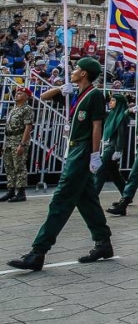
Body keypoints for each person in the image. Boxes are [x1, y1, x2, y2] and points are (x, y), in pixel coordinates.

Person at [7, 57, 113, 271]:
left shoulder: (94, 96)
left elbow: (96, 127)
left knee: (61, 199)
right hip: (73, 148)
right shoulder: (74, 93)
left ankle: (38, 252)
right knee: (86, 200)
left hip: (82, 150)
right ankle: (103, 242)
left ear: (84, 74)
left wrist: (94, 154)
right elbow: (43, 97)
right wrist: (59, 89)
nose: (73, 71)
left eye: (77, 69)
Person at [0, 87, 35, 203]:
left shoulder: (27, 109)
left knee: (19, 166)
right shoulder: (14, 109)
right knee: (9, 166)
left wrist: (22, 144)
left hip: (19, 140)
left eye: (20, 94)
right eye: (16, 93)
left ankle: (21, 192)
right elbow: (8, 127)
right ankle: (11, 190)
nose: (16, 95)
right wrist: (5, 143)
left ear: (26, 97)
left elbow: (28, 127)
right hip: (10, 139)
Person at [93, 93, 130, 197]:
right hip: (109, 144)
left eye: (113, 101)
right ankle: (126, 194)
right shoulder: (112, 114)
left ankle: (94, 195)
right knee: (114, 173)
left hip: (113, 147)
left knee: (100, 171)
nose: (110, 102)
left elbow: (121, 134)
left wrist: (118, 149)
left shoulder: (121, 116)